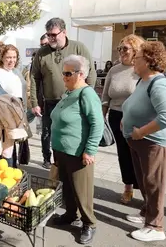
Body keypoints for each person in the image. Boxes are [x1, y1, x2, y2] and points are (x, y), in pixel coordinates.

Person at [122, 41, 166, 242]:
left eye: (137, 58)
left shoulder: (159, 83)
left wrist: (142, 131)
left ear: (148, 60)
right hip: (139, 142)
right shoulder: (143, 80)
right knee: (145, 182)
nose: (134, 62)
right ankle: (146, 212)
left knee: (155, 184)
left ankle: (155, 227)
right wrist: (125, 120)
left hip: (155, 142)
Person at [30, 18, 97, 169]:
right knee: (47, 133)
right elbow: (34, 78)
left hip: (74, 102)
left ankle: (72, 161)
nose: (50, 38)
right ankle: (50, 160)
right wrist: (35, 103)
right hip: (50, 101)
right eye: (48, 35)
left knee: (70, 132)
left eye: (53, 35)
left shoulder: (79, 48)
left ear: (64, 32)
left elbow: (90, 73)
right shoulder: (42, 53)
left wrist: (87, 94)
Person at [51, 55, 104, 245]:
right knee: (67, 188)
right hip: (61, 151)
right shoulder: (68, 93)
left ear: (81, 74)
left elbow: (97, 124)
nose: (63, 77)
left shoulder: (86, 94)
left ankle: (89, 223)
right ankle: (70, 215)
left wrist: (90, 150)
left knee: (82, 191)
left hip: (78, 152)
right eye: (62, 72)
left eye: (67, 73)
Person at [101, 34, 143, 204]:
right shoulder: (114, 69)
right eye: (120, 48)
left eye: (125, 48)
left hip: (135, 118)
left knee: (138, 155)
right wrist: (102, 116)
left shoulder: (141, 69)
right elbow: (105, 96)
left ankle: (145, 190)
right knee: (123, 154)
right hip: (115, 116)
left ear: (135, 50)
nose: (122, 52)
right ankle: (128, 186)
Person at [0, 42, 28, 167]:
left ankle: (12, 172)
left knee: (13, 147)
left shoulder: (16, 72)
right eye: (8, 57)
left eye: (14, 57)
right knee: (6, 149)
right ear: (1, 57)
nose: (11, 60)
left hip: (18, 114)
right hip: (6, 115)